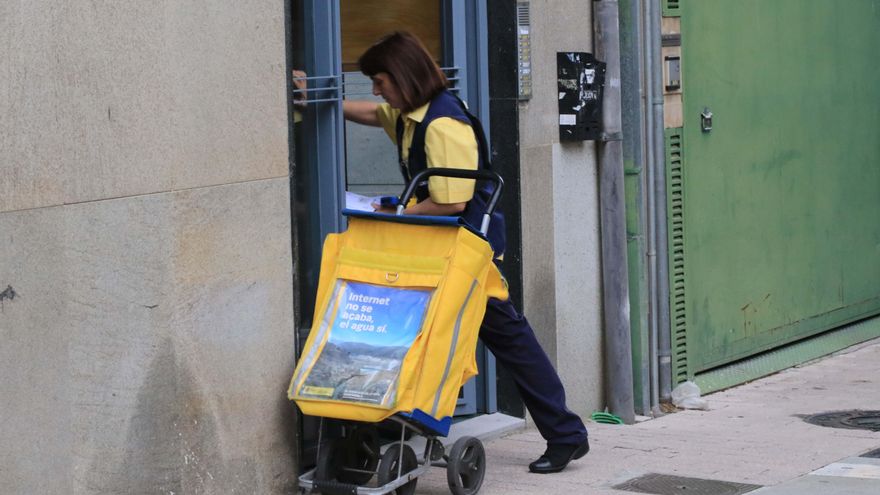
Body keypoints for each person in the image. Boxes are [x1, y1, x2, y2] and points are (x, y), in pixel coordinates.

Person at [295, 31, 589, 474]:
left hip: (466, 252)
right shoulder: (415, 115)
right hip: (442, 248)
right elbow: (375, 115)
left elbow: (452, 200)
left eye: (380, 80)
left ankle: (566, 436)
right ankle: (410, 422)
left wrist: (395, 212)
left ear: (404, 77)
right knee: (481, 338)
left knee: (510, 340)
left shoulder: (444, 124)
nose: (376, 90)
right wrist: (318, 102)